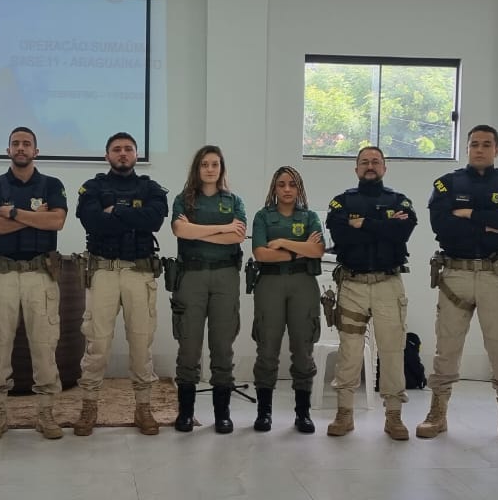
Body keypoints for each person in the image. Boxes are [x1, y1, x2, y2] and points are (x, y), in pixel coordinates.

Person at [419, 125, 498, 448]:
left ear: (497, 149)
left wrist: (469, 214)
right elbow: (442, 226)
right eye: (474, 144)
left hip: (495, 274)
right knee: (447, 348)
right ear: (466, 148)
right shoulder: (448, 184)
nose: (480, 149)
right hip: (455, 273)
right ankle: (437, 413)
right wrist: (490, 222)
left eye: (486, 144)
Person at [73, 132, 169, 436]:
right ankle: (89, 406)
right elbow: (92, 221)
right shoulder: (93, 187)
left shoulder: (151, 189)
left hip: (139, 272)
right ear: (107, 156)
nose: (123, 153)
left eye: (128, 149)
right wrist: (133, 216)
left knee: (141, 345)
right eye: (116, 149)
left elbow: (153, 221)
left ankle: (143, 408)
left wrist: (115, 210)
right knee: (97, 344)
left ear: (136, 155)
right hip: (103, 272)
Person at [0, 126, 68, 440]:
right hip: (2, 274)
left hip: (40, 275)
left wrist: (14, 213)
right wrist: (33, 216)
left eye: (26, 144)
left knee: (45, 345)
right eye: (15, 143)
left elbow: (56, 221)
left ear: (35, 151)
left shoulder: (52, 184)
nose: (21, 148)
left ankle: (46, 414)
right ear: (8, 150)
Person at [324, 146, 418, 438]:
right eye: (364, 162)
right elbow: (341, 236)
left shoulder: (399, 200)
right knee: (349, 351)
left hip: (388, 283)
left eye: (376, 161)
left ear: (384, 168)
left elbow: (402, 233)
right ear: (356, 169)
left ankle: (394, 416)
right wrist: (384, 227)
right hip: (352, 284)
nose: (370, 166)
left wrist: (363, 223)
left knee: (392, 350)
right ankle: (344, 414)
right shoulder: (341, 202)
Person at [168, 145, 246, 434]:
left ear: (221, 168)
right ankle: (186, 413)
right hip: (192, 276)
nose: (210, 169)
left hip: (225, 276)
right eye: (204, 164)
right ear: (197, 168)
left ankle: (222, 414)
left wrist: (198, 231)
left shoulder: (233, 201)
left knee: (222, 346)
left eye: (215, 164)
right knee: (189, 347)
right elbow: (180, 231)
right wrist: (221, 229)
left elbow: (237, 238)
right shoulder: (184, 199)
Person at [250, 166, 325, 434]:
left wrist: (282, 242)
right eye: (281, 184)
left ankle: (302, 413)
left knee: (303, 349)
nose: (287, 189)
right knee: (267, 349)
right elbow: (261, 254)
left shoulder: (310, 217)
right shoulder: (263, 217)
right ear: (274, 188)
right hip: (270, 283)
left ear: (299, 188)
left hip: (303, 284)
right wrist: (300, 249)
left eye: (292, 184)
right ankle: (264, 412)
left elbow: (318, 249)